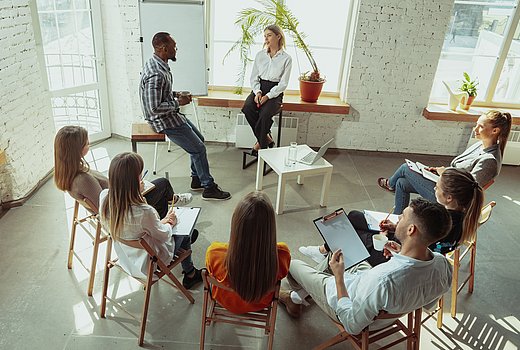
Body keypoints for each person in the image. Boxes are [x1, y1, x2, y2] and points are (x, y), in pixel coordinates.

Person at [279, 198, 453, 336]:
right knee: (344, 252)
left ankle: (294, 296)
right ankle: (302, 293)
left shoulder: (383, 280)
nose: (398, 218)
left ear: (411, 230)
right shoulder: (443, 265)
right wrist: (401, 253)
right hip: (376, 296)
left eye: (402, 217)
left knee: (292, 264)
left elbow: (352, 324)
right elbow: (428, 303)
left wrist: (338, 278)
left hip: (346, 299)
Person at [300, 168, 484, 266]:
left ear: (449, 197)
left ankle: (326, 254)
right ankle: (325, 251)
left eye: (437, 187)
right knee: (355, 217)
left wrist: (393, 236)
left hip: (394, 255)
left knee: (352, 231)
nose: (434, 188)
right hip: (403, 244)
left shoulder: (442, 221)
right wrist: (396, 228)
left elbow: (415, 249)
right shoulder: (460, 217)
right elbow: (420, 238)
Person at [140, 32, 231, 201]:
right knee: (198, 148)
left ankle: (196, 179)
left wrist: (176, 94)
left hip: (170, 115)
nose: (176, 49)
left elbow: (161, 94)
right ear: (164, 48)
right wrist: (178, 103)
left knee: (199, 140)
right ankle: (208, 187)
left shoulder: (158, 64)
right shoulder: (156, 73)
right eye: (174, 46)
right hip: (163, 121)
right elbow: (153, 108)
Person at [99, 152, 202, 289]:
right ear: (134, 181)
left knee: (163, 217)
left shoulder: (104, 197)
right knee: (185, 230)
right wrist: (170, 222)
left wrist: (162, 221)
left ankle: (182, 239)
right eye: (140, 175)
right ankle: (190, 274)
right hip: (150, 262)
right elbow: (164, 235)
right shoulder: (143, 212)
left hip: (126, 256)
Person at [378, 110, 512, 214]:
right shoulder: (480, 145)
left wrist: (445, 173)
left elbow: (467, 190)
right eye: (476, 124)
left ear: (495, 131)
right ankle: (397, 219)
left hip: (451, 199)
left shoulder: (490, 161)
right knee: (402, 182)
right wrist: (439, 171)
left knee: (405, 168)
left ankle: (390, 184)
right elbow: (460, 170)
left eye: (480, 127)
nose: (475, 129)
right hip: (445, 184)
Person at [54, 125, 192, 217]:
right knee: (162, 184)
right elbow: (109, 210)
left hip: (121, 198)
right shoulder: (83, 179)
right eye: (86, 143)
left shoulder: (69, 171)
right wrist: (136, 191)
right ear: (76, 149)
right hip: (125, 213)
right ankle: (166, 224)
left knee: (159, 188)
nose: (89, 144)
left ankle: (166, 218)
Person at [205, 191, 291, 314]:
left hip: (225, 302)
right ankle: (286, 296)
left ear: (236, 223)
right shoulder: (282, 254)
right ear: (270, 226)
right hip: (260, 304)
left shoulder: (214, 253)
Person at [241, 25, 292, 155]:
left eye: (269, 35)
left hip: (275, 92)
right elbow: (253, 77)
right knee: (247, 108)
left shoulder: (286, 58)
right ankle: (266, 139)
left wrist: (268, 96)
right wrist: (258, 92)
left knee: (265, 114)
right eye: (265, 36)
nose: (266, 38)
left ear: (278, 36)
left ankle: (261, 146)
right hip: (259, 88)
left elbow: (283, 83)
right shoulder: (260, 55)